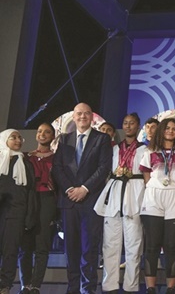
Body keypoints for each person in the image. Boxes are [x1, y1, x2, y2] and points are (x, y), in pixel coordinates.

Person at [52, 102, 112, 294]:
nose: (83, 117)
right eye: (79, 113)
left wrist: (85, 189)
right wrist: (71, 188)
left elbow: (104, 167)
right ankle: (73, 289)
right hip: (69, 202)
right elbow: (58, 168)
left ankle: (88, 289)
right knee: (71, 250)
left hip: (91, 201)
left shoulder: (101, 139)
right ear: (74, 116)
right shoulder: (64, 139)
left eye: (86, 113)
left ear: (92, 117)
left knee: (89, 249)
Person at [93, 113, 147, 294]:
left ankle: (131, 286)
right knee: (110, 244)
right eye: (125, 123)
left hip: (135, 193)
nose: (128, 126)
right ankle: (109, 285)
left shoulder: (145, 150)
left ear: (138, 126)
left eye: (132, 123)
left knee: (134, 244)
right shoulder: (114, 149)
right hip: (115, 192)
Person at [139, 118, 175, 294]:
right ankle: (151, 288)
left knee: (172, 245)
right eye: (167, 128)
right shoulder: (150, 151)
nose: (171, 131)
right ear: (161, 130)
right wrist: (154, 187)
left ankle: (170, 288)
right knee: (151, 245)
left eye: (174, 129)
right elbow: (145, 172)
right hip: (153, 196)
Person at [18, 123, 56, 294]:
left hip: (48, 200)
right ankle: (25, 284)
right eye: (40, 131)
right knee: (25, 245)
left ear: (52, 136)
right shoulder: (25, 157)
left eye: (47, 132)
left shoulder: (57, 158)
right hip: (28, 200)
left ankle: (35, 285)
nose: (42, 134)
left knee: (42, 244)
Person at [0, 130, 36, 294]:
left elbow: (30, 192)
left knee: (11, 250)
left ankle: (5, 285)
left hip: (17, 212)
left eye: (19, 137)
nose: (17, 140)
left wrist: (29, 215)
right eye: (13, 137)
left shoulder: (26, 163)